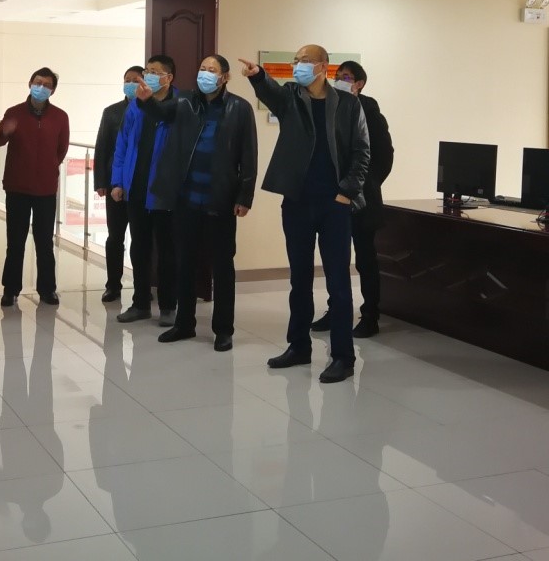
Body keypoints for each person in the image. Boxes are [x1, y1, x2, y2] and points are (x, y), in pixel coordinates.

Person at [242, 45, 369, 383]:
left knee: (338, 282)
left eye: (305, 61)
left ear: (324, 66)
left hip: (335, 205)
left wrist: (347, 191)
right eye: (295, 61)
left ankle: (343, 357)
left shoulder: (348, 104)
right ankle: (298, 346)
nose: (298, 65)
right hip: (298, 201)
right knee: (299, 279)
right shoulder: (290, 97)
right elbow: (270, 91)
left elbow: (362, 151)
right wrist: (257, 75)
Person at [136, 54, 257, 351]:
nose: (205, 74)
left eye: (211, 70)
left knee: (222, 266)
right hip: (186, 198)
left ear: (225, 77)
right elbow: (160, 113)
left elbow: (249, 155)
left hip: (220, 199)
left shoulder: (239, 108)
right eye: (202, 68)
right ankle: (184, 323)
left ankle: (223, 329)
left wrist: (245, 196)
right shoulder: (185, 102)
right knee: (185, 262)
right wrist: (146, 100)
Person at [312, 60, 394, 338]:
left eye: (346, 77)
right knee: (335, 259)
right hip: (333, 198)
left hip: (362, 200)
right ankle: (336, 310)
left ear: (359, 83)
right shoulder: (332, 106)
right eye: (337, 75)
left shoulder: (370, 112)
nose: (340, 80)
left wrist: (362, 185)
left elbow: (383, 158)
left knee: (365, 260)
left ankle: (370, 315)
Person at [0, 67, 70, 307]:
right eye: (37, 82)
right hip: (17, 187)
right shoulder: (14, 112)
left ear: (53, 90)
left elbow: (61, 150)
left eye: (47, 85)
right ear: (30, 83)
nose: (41, 87)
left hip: (46, 189)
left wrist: (48, 168)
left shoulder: (60, 117)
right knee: (15, 241)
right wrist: (4, 130)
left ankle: (47, 289)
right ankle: (10, 289)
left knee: (44, 242)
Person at [111, 54, 179, 326]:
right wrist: (118, 181)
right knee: (139, 248)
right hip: (136, 188)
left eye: (155, 72)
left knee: (167, 250)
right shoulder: (135, 106)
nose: (148, 75)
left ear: (168, 78)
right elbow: (122, 144)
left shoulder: (179, 105)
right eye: (147, 70)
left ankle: (168, 306)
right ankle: (140, 303)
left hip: (165, 191)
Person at [94, 66, 145, 303]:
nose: (131, 84)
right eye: (127, 80)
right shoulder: (112, 112)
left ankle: (142, 287)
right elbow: (102, 148)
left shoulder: (151, 110)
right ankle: (113, 285)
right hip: (115, 186)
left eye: (136, 80)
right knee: (115, 238)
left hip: (141, 188)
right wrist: (101, 182)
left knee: (141, 240)